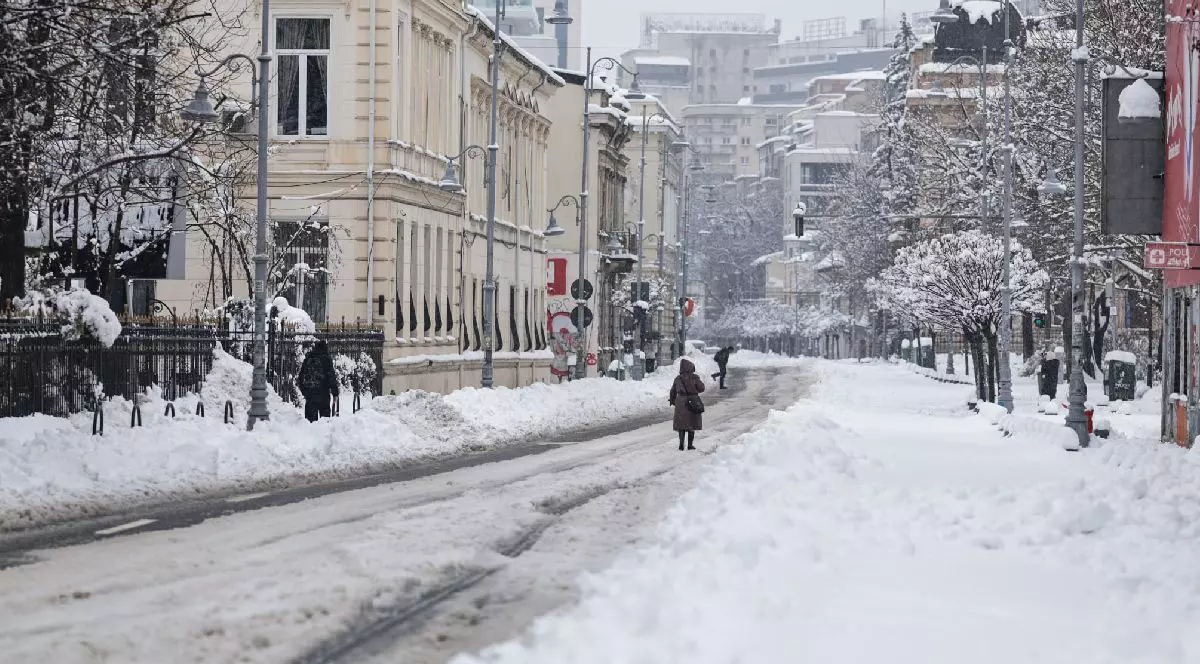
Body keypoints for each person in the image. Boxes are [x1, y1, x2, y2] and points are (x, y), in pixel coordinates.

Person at [669, 358, 706, 451]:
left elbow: (673, 391)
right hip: (692, 401)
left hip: (680, 402)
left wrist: (673, 401)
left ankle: (681, 445)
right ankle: (690, 445)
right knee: (691, 424)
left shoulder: (678, 378)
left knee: (682, 425)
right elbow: (701, 388)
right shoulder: (695, 377)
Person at [298, 340, 339, 422]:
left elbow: (301, 377)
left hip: (310, 395)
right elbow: (331, 376)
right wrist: (335, 393)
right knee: (324, 422)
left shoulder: (308, 358)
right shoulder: (326, 358)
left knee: (310, 423)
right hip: (323, 393)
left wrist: (305, 392)